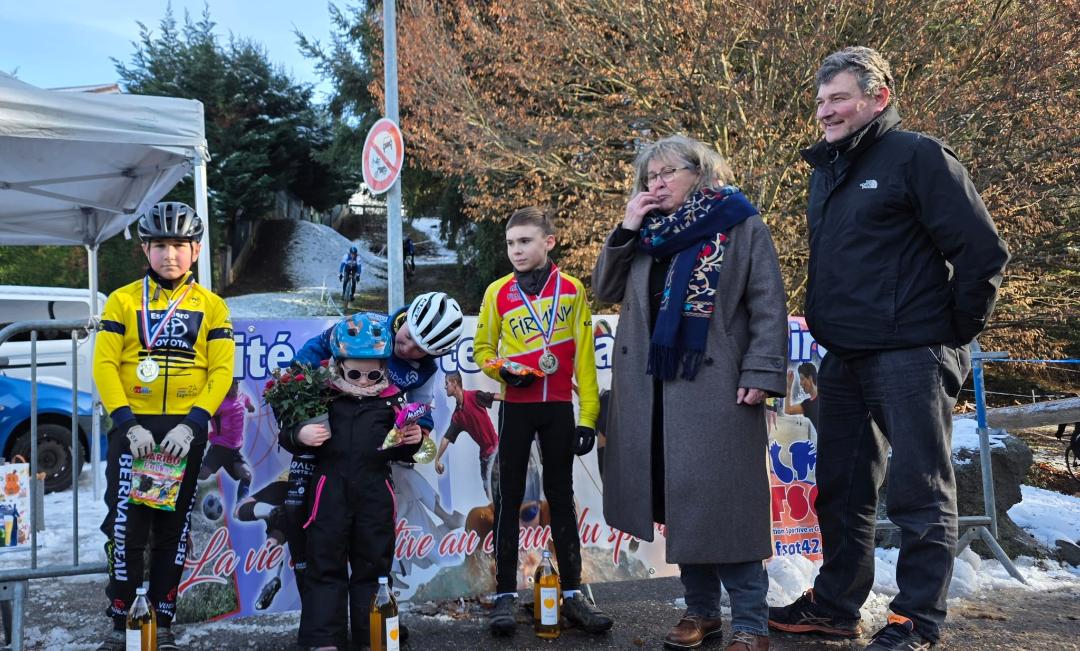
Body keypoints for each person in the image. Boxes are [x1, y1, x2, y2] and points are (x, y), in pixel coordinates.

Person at [767, 47, 1009, 651]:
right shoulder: (827, 172)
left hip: (912, 354)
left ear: (878, 97)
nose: (825, 111)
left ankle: (916, 620)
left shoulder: (919, 156)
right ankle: (836, 606)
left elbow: (983, 253)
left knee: (919, 492)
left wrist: (951, 329)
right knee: (842, 490)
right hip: (843, 358)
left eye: (839, 98)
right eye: (821, 101)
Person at [593, 135, 787, 651]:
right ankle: (701, 612)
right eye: (648, 177)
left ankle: (751, 623)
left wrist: (763, 372)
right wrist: (627, 225)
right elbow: (605, 289)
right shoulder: (646, 234)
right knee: (679, 503)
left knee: (727, 504)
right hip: (651, 392)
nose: (655, 184)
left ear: (699, 172)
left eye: (665, 173)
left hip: (716, 386)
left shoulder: (739, 221)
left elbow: (769, 303)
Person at [93, 202, 235, 651]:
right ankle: (123, 617)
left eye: (178, 245)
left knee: (172, 526)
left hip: (182, 432)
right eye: (159, 245)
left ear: (195, 250)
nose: (169, 254)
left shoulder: (211, 307)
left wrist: (194, 424)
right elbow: (104, 364)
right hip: (133, 428)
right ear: (145, 249)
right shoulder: (122, 300)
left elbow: (221, 371)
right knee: (126, 524)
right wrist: (125, 422)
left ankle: (163, 616)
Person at [473, 206, 614, 637]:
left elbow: (586, 363)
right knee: (508, 499)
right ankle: (503, 597)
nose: (516, 250)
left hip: (558, 410)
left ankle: (572, 595)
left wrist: (588, 416)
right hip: (516, 405)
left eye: (525, 241)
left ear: (548, 242)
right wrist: (502, 370)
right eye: (511, 243)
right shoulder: (498, 292)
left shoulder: (571, 291)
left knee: (561, 499)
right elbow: (482, 350)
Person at [276, 312, 422, 650]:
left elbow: (410, 450)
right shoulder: (321, 394)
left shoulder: (393, 399)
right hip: (329, 492)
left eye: (373, 373)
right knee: (324, 565)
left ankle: (371, 637)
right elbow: (286, 434)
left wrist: (411, 439)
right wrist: (299, 433)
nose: (364, 380)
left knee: (373, 568)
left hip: (375, 494)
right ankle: (325, 638)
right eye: (355, 372)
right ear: (339, 365)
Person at [434, 372, 501, 500]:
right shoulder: (457, 415)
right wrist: (437, 459)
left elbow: (497, 396)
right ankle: (498, 518)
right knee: (490, 495)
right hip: (485, 458)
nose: (445, 387)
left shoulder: (475, 396)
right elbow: (446, 438)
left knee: (501, 492)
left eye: (446, 383)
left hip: (497, 453)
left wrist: (518, 399)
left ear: (454, 383)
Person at [199, 379, 255, 503]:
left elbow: (246, 401)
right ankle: (180, 482)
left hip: (234, 450)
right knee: (202, 475)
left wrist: (250, 407)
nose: (234, 388)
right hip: (219, 448)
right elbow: (203, 412)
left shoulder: (242, 396)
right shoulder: (217, 402)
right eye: (230, 385)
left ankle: (240, 505)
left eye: (236, 384)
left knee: (247, 475)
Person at [782, 363, 819, 434]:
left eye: (802, 379)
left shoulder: (826, 395)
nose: (800, 384)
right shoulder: (807, 404)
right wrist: (789, 387)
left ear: (810, 378)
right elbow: (788, 410)